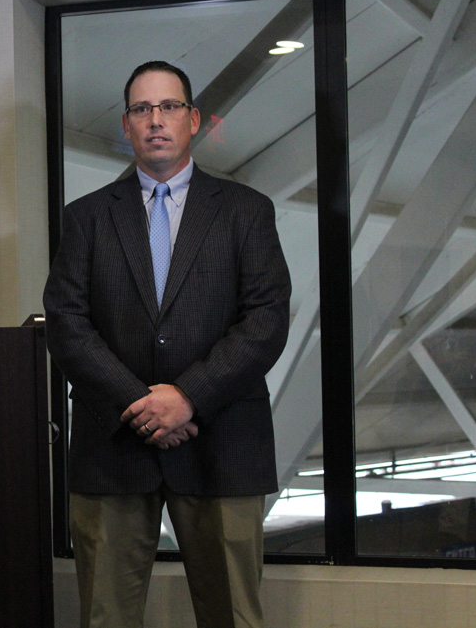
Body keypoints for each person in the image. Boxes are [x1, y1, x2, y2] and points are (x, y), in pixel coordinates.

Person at [42, 61, 291, 628]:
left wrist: (187, 397)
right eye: (141, 109)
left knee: (235, 617)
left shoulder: (246, 211)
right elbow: (67, 324)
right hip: (113, 446)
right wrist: (141, 402)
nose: (156, 120)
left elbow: (266, 320)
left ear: (194, 119)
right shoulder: (85, 218)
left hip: (223, 440)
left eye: (169, 107)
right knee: (105, 617)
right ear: (126, 126)